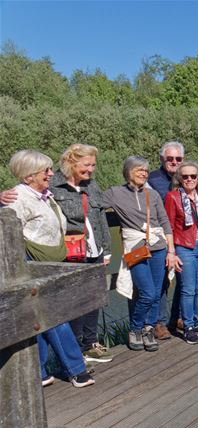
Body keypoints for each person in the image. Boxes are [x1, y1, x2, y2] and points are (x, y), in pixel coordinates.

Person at [4, 149, 95, 388]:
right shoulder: (19, 199)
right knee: (54, 316)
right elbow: (9, 233)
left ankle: (39, 371)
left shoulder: (45, 195)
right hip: (32, 265)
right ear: (29, 175)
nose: (51, 174)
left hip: (51, 263)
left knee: (41, 318)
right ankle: (76, 369)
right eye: (45, 171)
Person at [103, 156, 180, 352]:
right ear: (129, 172)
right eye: (139, 170)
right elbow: (94, 205)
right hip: (136, 249)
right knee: (147, 293)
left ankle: (148, 329)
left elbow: (164, 222)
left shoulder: (152, 195)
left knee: (156, 293)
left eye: (146, 170)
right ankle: (135, 329)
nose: (144, 174)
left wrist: (171, 251)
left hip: (158, 247)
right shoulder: (115, 193)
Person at [50, 143, 113, 363]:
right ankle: (75, 349)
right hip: (71, 254)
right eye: (86, 165)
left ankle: (90, 343)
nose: (91, 170)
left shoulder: (91, 185)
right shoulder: (53, 186)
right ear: (71, 162)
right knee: (74, 302)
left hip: (95, 250)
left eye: (93, 165)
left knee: (94, 298)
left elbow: (101, 218)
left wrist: (106, 250)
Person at [164, 161, 198, 344]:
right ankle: (188, 326)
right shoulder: (172, 197)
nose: (189, 179)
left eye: (193, 176)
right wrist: (171, 252)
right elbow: (169, 226)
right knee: (188, 289)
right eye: (185, 176)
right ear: (179, 178)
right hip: (184, 247)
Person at [149, 141, 186, 340]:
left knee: (184, 278)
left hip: (184, 236)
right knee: (161, 281)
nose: (174, 162)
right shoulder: (152, 179)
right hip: (162, 237)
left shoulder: (187, 176)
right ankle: (159, 322)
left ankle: (177, 317)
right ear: (162, 159)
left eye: (178, 158)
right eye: (169, 158)